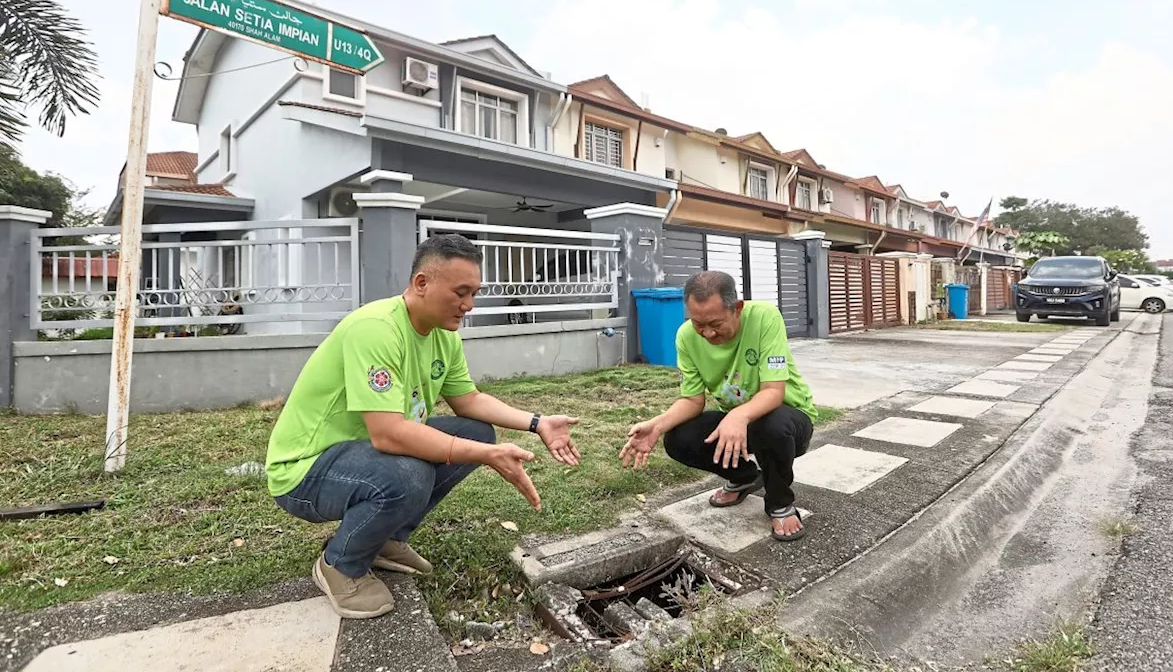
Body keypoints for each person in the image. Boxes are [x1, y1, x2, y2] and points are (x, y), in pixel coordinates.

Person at [266, 233, 582, 619]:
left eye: (474, 294)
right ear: (421, 284)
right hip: (306, 470)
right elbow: (389, 433)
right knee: (409, 474)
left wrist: (537, 423)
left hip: (365, 455)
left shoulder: (442, 336)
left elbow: (470, 401)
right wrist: (487, 456)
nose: (468, 305)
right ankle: (340, 565)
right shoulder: (376, 329)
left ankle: (385, 540)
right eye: (460, 292)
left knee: (475, 431)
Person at [619, 270, 817, 541]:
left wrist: (738, 416)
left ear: (736, 308)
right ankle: (745, 476)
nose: (707, 333)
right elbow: (692, 400)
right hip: (738, 422)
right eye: (698, 324)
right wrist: (657, 425)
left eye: (715, 323)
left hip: (789, 418)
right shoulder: (686, 337)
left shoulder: (765, 317)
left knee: (771, 425)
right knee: (679, 437)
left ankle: (779, 502)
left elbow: (774, 391)